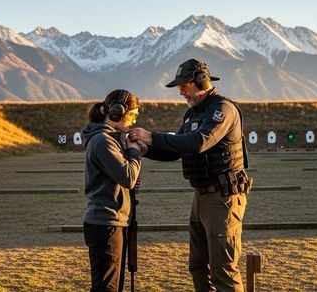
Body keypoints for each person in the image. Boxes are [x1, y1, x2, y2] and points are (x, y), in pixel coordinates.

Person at [128, 58, 252, 292]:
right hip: (202, 196)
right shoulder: (193, 114)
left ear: (201, 82)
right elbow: (178, 149)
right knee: (197, 265)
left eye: (184, 87)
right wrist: (146, 150)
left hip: (223, 197)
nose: (182, 93)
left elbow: (199, 142)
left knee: (223, 270)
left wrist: (151, 136)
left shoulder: (222, 109)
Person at [81, 89, 145, 292]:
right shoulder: (103, 140)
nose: (134, 121)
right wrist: (134, 153)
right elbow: (127, 177)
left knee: (113, 286)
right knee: (106, 288)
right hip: (106, 223)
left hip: (111, 221)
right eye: (132, 115)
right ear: (117, 112)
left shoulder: (108, 139)